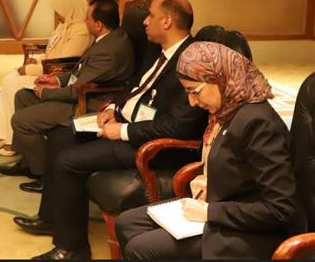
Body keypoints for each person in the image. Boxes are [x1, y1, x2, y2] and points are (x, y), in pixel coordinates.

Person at [16, 0, 208, 260]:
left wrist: (122, 131)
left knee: (67, 161)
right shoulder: (159, 51)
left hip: (151, 144)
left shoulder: (191, 61)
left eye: (151, 16)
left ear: (166, 22)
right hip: (129, 123)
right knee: (60, 136)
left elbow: (179, 126)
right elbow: (134, 85)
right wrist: (112, 108)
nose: (145, 22)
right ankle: (52, 218)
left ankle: (72, 249)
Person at [116, 41, 300, 260]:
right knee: (127, 223)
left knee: (141, 248)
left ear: (219, 78)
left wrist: (210, 212)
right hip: (223, 208)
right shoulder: (225, 111)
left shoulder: (258, 123)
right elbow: (235, 168)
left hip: (254, 232)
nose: (192, 102)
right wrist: (205, 179)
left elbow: (281, 209)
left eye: (194, 91)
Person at [0, 0, 134, 187]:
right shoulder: (108, 38)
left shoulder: (108, 51)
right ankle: (28, 162)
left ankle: (45, 176)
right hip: (81, 92)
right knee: (23, 96)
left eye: (87, 18)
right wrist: (56, 80)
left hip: (88, 102)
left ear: (99, 25)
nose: (84, 21)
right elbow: (81, 72)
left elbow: (78, 90)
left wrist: (46, 93)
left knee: (21, 121)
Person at [0, 0, 92, 157]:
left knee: (14, 85)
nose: (56, 15)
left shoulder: (81, 31)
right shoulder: (65, 25)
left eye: (58, 11)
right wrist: (36, 61)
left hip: (58, 76)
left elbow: (63, 63)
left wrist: (29, 70)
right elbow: (51, 54)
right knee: (8, 79)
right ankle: (2, 135)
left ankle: (13, 142)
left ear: (69, 8)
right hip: (47, 69)